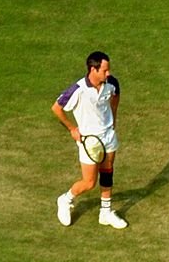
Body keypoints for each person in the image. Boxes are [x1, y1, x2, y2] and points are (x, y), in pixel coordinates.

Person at [52, 51, 128, 229]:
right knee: (89, 182)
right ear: (93, 70)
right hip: (90, 142)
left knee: (108, 172)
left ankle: (106, 212)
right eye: (104, 70)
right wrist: (72, 129)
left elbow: (116, 96)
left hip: (108, 136)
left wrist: (113, 117)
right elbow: (56, 108)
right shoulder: (78, 90)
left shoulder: (111, 83)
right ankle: (65, 199)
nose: (108, 73)